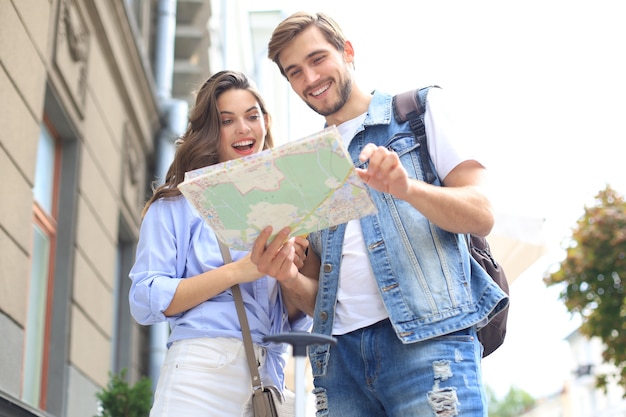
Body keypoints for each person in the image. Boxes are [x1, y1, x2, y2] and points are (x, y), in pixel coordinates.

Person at [250, 12, 509, 417]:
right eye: (295, 72)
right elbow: (313, 296)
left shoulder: (418, 111)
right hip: (339, 365)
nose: (310, 78)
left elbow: (482, 213)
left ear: (348, 51)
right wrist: (285, 274)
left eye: (318, 59)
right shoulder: (305, 166)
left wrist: (407, 189)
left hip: (428, 346)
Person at [129, 70, 311, 417]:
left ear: (266, 122)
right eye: (227, 121)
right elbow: (145, 297)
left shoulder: (287, 206)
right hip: (201, 374)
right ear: (212, 132)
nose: (243, 129)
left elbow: (287, 319)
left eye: (252, 116)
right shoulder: (178, 204)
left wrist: (287, 273)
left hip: (267, 376)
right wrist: (239, 271)